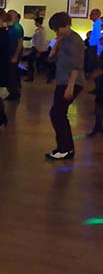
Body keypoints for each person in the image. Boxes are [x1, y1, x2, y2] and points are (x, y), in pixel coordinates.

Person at [45, 12, 85, 160]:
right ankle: (65, 148)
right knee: (57, 113)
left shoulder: (75, 40)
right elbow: (51, 59)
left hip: (70, 82)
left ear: (66, 25)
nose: (56, 32)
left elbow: (77, 65)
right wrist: (56, 44)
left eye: (58, 28)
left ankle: (65, 148)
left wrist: (70, 86)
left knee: (58, 114)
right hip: (63, 81)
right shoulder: (64, 39)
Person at [7, 10, 24, 100]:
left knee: (12, 73)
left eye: (11, 15)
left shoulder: (17, 27)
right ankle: (13, 91)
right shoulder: (12, 26)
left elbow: (19, 42)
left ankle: (14, 93)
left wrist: (15, 56)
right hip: (12, 52)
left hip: (14, 52)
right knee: (12, 72)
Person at [25, 17, 49, 82]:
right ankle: (31, 76)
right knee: (31, 62)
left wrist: (38, 51)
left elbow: (40, 42)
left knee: (30, 62)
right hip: (38, 49)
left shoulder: (40, 32)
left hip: (37, 49)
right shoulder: (42, 30)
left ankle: (30, 77)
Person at [87, 8, 102, 74]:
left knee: (93, 66)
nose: (90, 17)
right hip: (93, 47)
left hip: (94, 48)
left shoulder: (98, 24)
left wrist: (98, 52)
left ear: (96, 15)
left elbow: (99, 39)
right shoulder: (97, 24)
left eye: (91, 15)